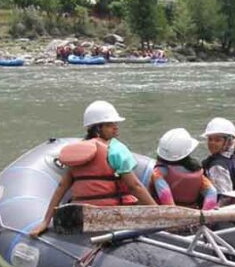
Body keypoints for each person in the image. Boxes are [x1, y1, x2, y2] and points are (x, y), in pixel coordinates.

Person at [31, 100, 155, 237]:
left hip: (82, 217)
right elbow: (135, 186)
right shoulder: (116, 149)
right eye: (109, 124)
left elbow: (62, 186)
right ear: (97, 129)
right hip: (111, 217)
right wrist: (158, 212)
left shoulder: (76, 152)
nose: (116, 127)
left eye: (116, 123)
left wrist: (45, 221)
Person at [149, 128, 218, 210]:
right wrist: (204, 214)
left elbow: (167, 201)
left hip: (171, 215)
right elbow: (212, 192)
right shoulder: (196, 171)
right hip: (193, 212)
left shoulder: (159, 173)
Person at [201, 117, 235, 194]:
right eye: (210, 139)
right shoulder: (234, 159)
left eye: (217, 140)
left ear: (228, 142)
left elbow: (224, 194)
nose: (212, 143)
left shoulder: (217, 167)